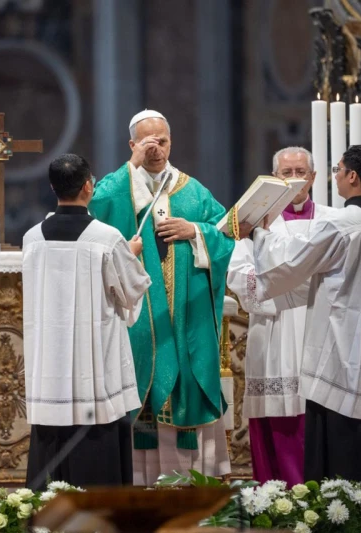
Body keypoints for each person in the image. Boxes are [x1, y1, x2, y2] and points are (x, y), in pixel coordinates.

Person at [240, 144, 361, 482]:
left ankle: (338, 507)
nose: (336, 175)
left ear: (352, 176)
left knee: (339, 434)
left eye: (339, 168)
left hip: (340, 345)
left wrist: (257, 233)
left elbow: (294, 261)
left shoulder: (344, 222)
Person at [89, 110, 236, 485]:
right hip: (141, 318)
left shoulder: (192, 189)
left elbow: (226, 235)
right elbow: (95, 209)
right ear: (133, 144)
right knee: (144, 383)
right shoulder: (120, 185)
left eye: (162, 141)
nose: (156, 148)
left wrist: (195, 231)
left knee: (184, 379)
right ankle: (141, 483)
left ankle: (191, 481)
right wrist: (132, 166)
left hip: (186, 316)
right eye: (147, 141)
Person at [22, 154, 151, 489]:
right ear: (88, 186)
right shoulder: (107, 239)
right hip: (94, 371)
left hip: (49, 368)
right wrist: (131, 255)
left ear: (53, 187)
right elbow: (131, 292)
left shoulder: (32, 238)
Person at [226, 147, 317, 486]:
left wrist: (284, 283)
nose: (294, 179)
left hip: (313, 328)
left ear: (313, 178)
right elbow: (238, 271)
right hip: (273, 327)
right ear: (273, 179)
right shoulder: (254, 223)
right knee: (273, 414)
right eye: (286, 173)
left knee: (312, 413)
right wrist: (276, 290)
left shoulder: (329, 220)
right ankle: (274, 491)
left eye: (300, 172)